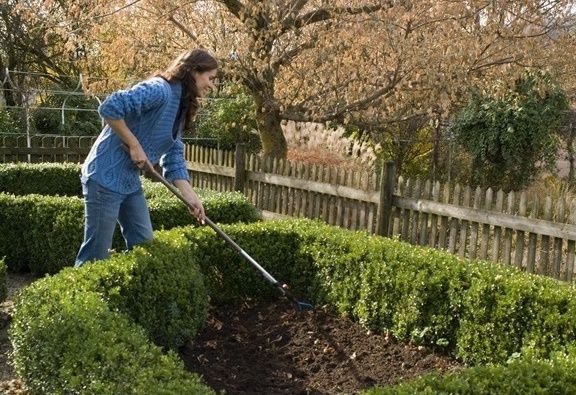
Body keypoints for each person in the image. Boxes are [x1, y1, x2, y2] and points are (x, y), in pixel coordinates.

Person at [75, 49, 218, 267]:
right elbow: (110, 107)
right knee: (95, 256)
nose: (211, 85)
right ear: (194, 71)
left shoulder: (180, 105)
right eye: (210, 78)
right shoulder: (159, 90)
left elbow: (174, 155)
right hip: (104, 176)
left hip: (129, 182)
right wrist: (134, 145)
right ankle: (82, 299)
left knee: (144, 245)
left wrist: (191, 197)